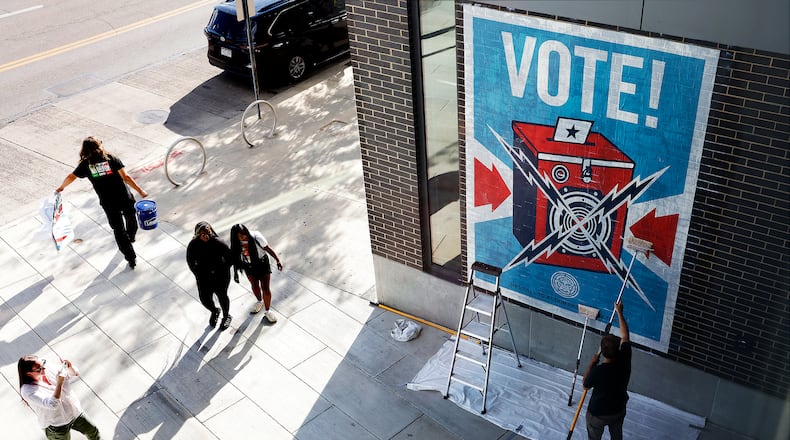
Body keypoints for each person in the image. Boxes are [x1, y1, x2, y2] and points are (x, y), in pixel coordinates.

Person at [18, 355, 101, 440]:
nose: (44, 369)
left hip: (74, 412)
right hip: (57, 425)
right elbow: (52, 404)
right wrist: (59, 382)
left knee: (93, 431)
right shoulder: (27, 391)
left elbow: (73, 373)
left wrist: (69, 367)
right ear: (29, 374)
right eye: (39, 369)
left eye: (43, 364)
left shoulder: (47, 367)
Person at [582, 301, 631, 440]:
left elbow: (585, 385)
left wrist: (591, 364)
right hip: (618, 410)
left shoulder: (598, 371)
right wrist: (619, 313)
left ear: (602, 353)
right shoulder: (625, 358)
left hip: (597, 414)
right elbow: (625, 335)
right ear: (619, 349)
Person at [229, 223, 283, 322]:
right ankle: (259, 301)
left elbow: (268, 249)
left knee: (265, 288)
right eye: (240, 235)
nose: (243, 236)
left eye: (244, 233)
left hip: (262, 263)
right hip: (248, 265)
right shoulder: (236, 242)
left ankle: (268, 311)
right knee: (254, 285)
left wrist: (278, 260)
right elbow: (234, 256)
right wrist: (235, 271)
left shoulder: (256, 237)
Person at [187, 221, 233, 330]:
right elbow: (190, 262)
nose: (206, 236)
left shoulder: (219, 242)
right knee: (204, 299)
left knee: (222, 296)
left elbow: (230, 259)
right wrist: (198, 274)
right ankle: (215, 310)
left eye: (208, 233)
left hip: (220, 276)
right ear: (198, 235)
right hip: (203, 277)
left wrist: (223, 269)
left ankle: (226, 316)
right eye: (203, 234)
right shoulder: (193, 245)